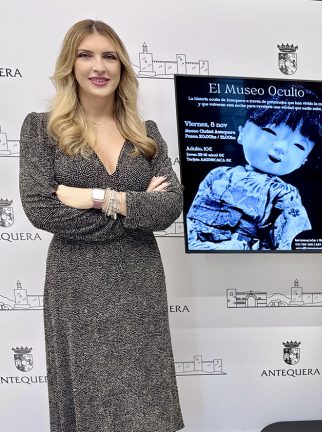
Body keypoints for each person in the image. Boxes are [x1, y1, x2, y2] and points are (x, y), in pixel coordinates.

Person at [19, 20, 184, 431]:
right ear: (70, 64)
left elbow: (170, 206)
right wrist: (135, 211)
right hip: (78, 283)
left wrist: (97, 197)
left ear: (122, 66)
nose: (99, 67)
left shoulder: (146, 135)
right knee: (90, 403)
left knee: (147, 403)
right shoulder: (41, 129)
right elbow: (41, 208)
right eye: (85, 55)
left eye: (109, 56)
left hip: (139, 281)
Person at [185, 87, 322, 250]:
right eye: (269, 131)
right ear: (242, 132)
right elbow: (193, 216)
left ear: (304, 160)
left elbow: (290, 241)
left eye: (299, 146)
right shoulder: (218, 174)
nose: (281, 147)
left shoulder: (285, 193)